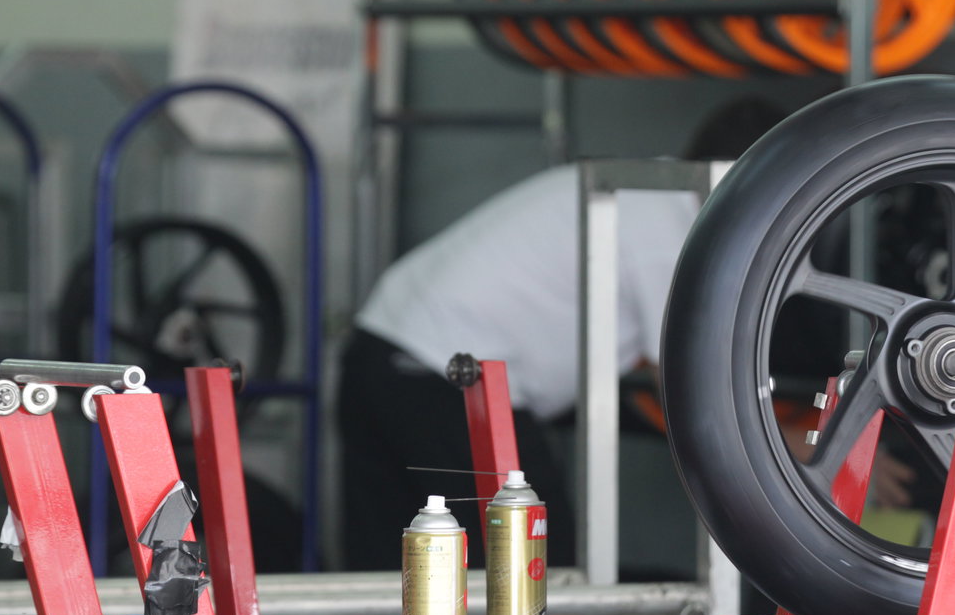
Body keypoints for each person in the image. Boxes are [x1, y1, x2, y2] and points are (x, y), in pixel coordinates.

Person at [334, 97, 791, 583]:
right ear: (753, 186)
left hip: (380, 354)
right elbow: (698, 389)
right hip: (444, 377)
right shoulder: (675, 228)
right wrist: (805, 456)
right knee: (549, 577)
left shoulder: (641, 189)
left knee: (403, 588)